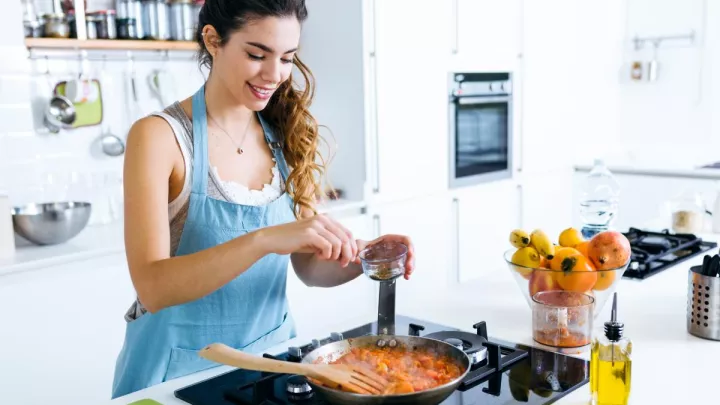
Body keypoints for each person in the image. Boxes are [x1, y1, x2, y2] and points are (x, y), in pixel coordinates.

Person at [111, 0, 414, 398]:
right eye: (257, 54)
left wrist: (366, 256)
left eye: (287, 58)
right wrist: (265, 239)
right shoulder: (159, 137)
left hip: (270, 368)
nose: (274, 75)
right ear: (213, 40)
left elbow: (309, 266)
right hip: (176, 376)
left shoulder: (286, 134)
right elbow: (153, 287)